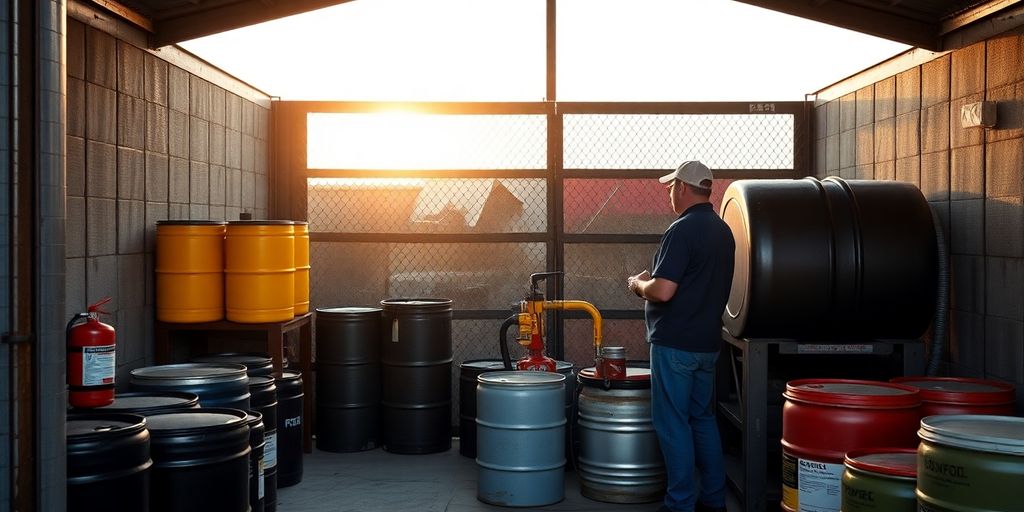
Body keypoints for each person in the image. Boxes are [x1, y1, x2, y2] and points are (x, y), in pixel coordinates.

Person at [627, 160, 735, 512]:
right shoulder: (722, 231)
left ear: (684, 188)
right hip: (707, 345)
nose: (670, 194)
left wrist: (638, 284)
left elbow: (663, 291)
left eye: (672, 187)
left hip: (675, 346)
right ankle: (714, 500)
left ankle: (679, 504)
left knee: (672, 424)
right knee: (702, 420)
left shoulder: (682, 230)